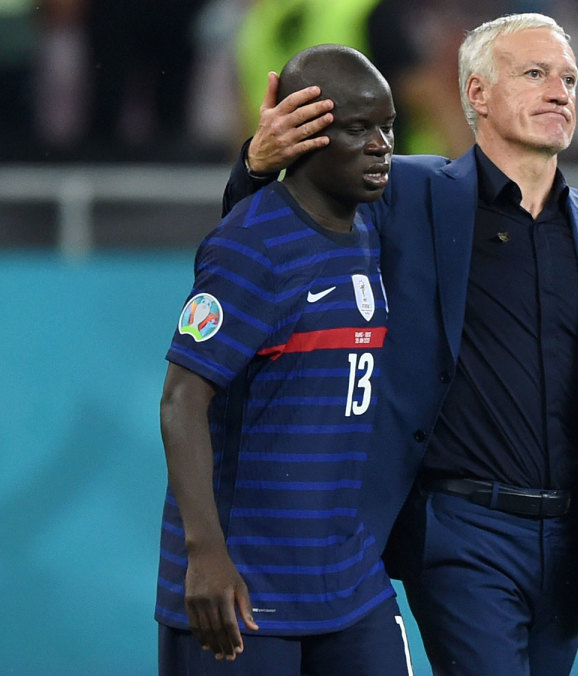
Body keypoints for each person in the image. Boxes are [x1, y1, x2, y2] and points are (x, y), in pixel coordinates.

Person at [224, 13, 578, 675]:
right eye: (534, 74)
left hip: (565, 540)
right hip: (457, 528)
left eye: (569, 79)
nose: (558, 91)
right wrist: (254, 167)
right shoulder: (408, 191)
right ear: (476, 94)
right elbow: (274, 240)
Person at [156, 45, 412, 675]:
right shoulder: (252, 247)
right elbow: (181, 400)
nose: (381, 145)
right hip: (243, 589)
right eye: (358, 129)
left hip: (348, 581)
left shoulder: (372, 229)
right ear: (308, 136)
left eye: (387, 127)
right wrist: (206, 554)